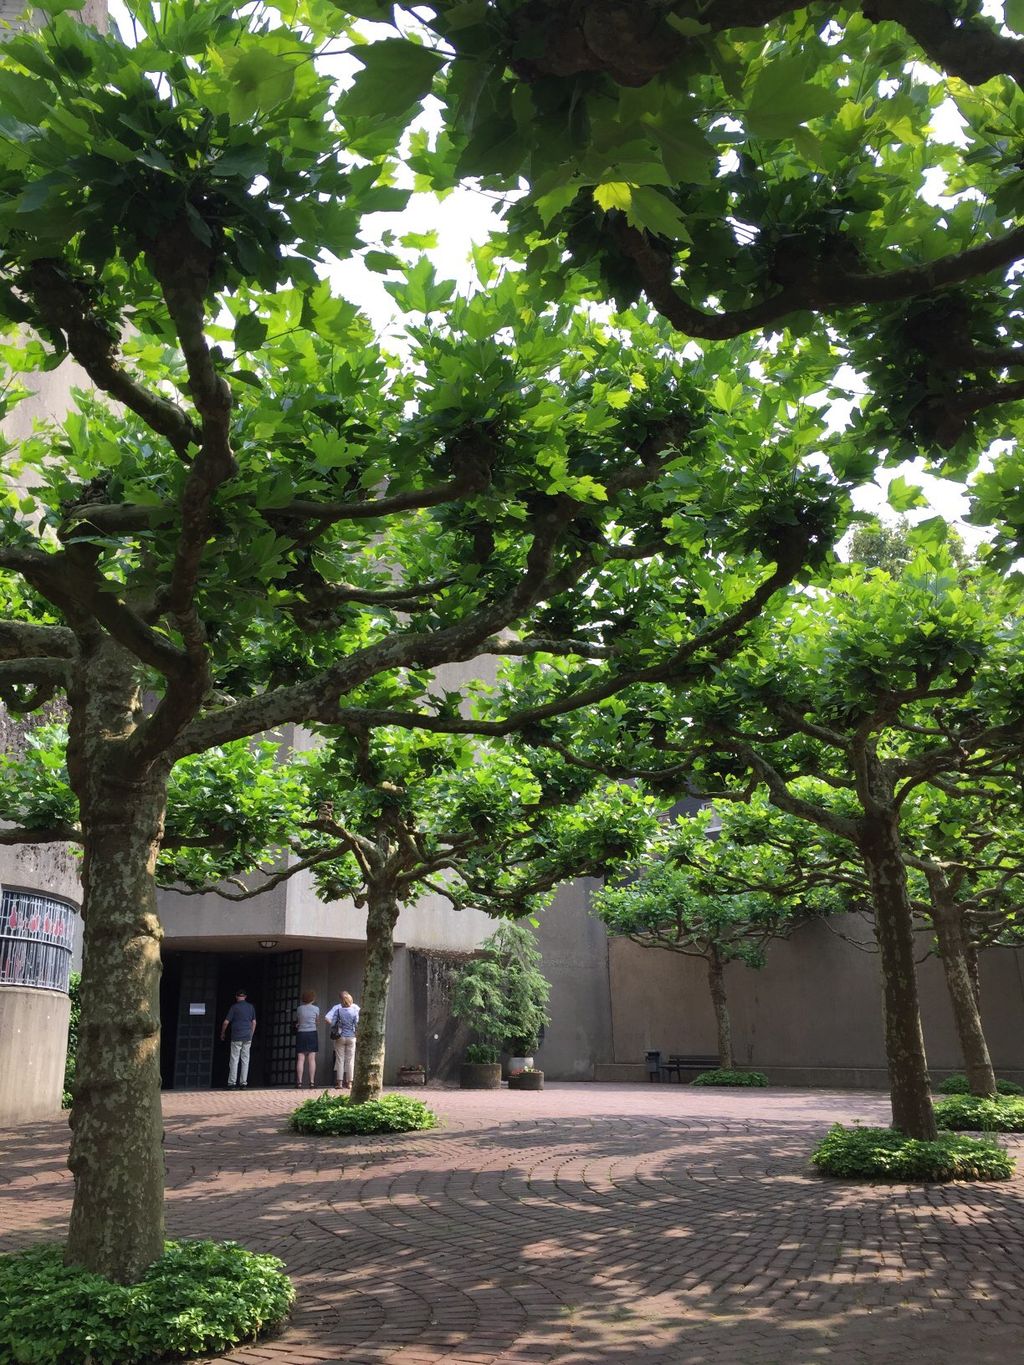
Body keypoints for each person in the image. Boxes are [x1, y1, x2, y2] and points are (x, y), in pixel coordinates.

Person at [220, 988, 256, 1089]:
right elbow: (254, 1022)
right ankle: (243, 1083)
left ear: (236, 997)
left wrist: (222, 1033)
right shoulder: (251, 1007)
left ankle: (232, 1083)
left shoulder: (234, 1007)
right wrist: (251, 1034)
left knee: (234, 1059)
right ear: (245, 997)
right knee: (245, 1060)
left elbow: (226, 1022)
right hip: (247, 1036)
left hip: (236, 1036)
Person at [325, 990, 359, 1089]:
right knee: (350, 1060)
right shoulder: (354, 1011)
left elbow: (332, 1023)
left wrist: (338, 1026)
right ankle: (350, 1083)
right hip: (351, 1037)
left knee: (340, 1060)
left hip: (340, 1037)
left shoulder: (338, 1011)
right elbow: (357, 1024)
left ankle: (339, 1083)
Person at [294, 989, 320, 1089]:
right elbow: (317, 1022)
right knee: (312, 1059)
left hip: (301, 1033)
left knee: (300, 1059)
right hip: (312, 1033)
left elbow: (299, 1021)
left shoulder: (299, 1009)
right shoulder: (316, 1009)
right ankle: (312, 1082)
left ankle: (299, 1082)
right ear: (313, 998)